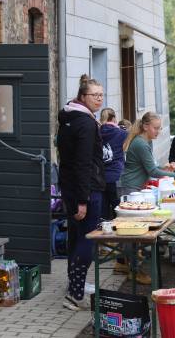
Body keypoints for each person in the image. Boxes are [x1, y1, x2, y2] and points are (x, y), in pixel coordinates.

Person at [118, 112, 175, 284]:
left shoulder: (144, 141)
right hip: (131, 189)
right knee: (131, 231)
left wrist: (165, 168)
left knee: (132, 229)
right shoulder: (141, 143)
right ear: (146, 126)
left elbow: (151, 167)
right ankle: (133, 269)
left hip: (135, 187)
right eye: (156, 128)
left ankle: (124, 263)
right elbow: (153, 172)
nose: (158, 131)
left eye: (160, 128)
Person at [57, 74, 105, 311]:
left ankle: (74, 286)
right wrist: (83, 200)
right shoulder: (85, 123)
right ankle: (76, 295)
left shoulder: (69, 118)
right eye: (95, 95)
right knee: (88, 240)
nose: (100, 99)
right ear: (82, 97)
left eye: (101, 95)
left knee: (76, 238)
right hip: (86, 190)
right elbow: (83, 163)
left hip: (71, 189)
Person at [100, 108, 128, 221]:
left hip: (100, 178)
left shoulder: (95, 133)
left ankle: (104, 236)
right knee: (119, 211)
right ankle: (121, 236)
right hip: (117, 176)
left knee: (103, 213)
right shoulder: (122, 133)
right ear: (114, 118)